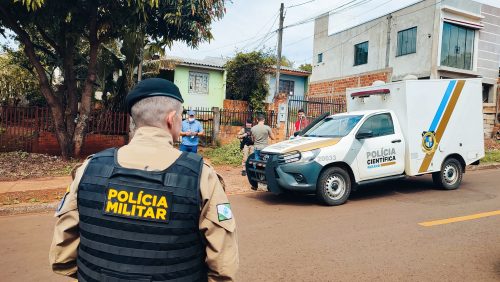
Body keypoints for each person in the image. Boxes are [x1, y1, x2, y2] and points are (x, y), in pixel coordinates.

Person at [49, 78, 239, 282]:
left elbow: (62, 256)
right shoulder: (201, 175)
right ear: (172, 118)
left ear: (134, 120)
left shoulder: (89, 168)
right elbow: (223, 267)